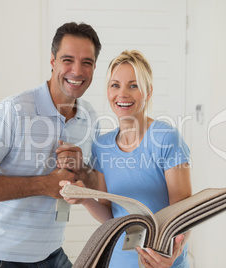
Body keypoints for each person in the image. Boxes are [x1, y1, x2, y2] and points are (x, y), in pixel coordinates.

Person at [0, 22, 101, 267]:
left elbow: (95, 181)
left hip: (50, 251)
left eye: (87, 62)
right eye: (67, 60)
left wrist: (83, 171)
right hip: (1, 256)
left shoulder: (90, 117)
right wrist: (44, 184)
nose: (77, 71)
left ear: (94, 67)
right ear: (52, 61)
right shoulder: (16, 109)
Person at [60, 50, 192, 268]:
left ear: (148, 91)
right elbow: (110, 216)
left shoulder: (167, 138)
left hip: (163, 262)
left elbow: (185, 214)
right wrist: (84, 198)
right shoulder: (101, 146)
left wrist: (173, 253)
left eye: (133, 85)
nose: (122, 94)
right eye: (115, 85)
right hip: (118, 261)